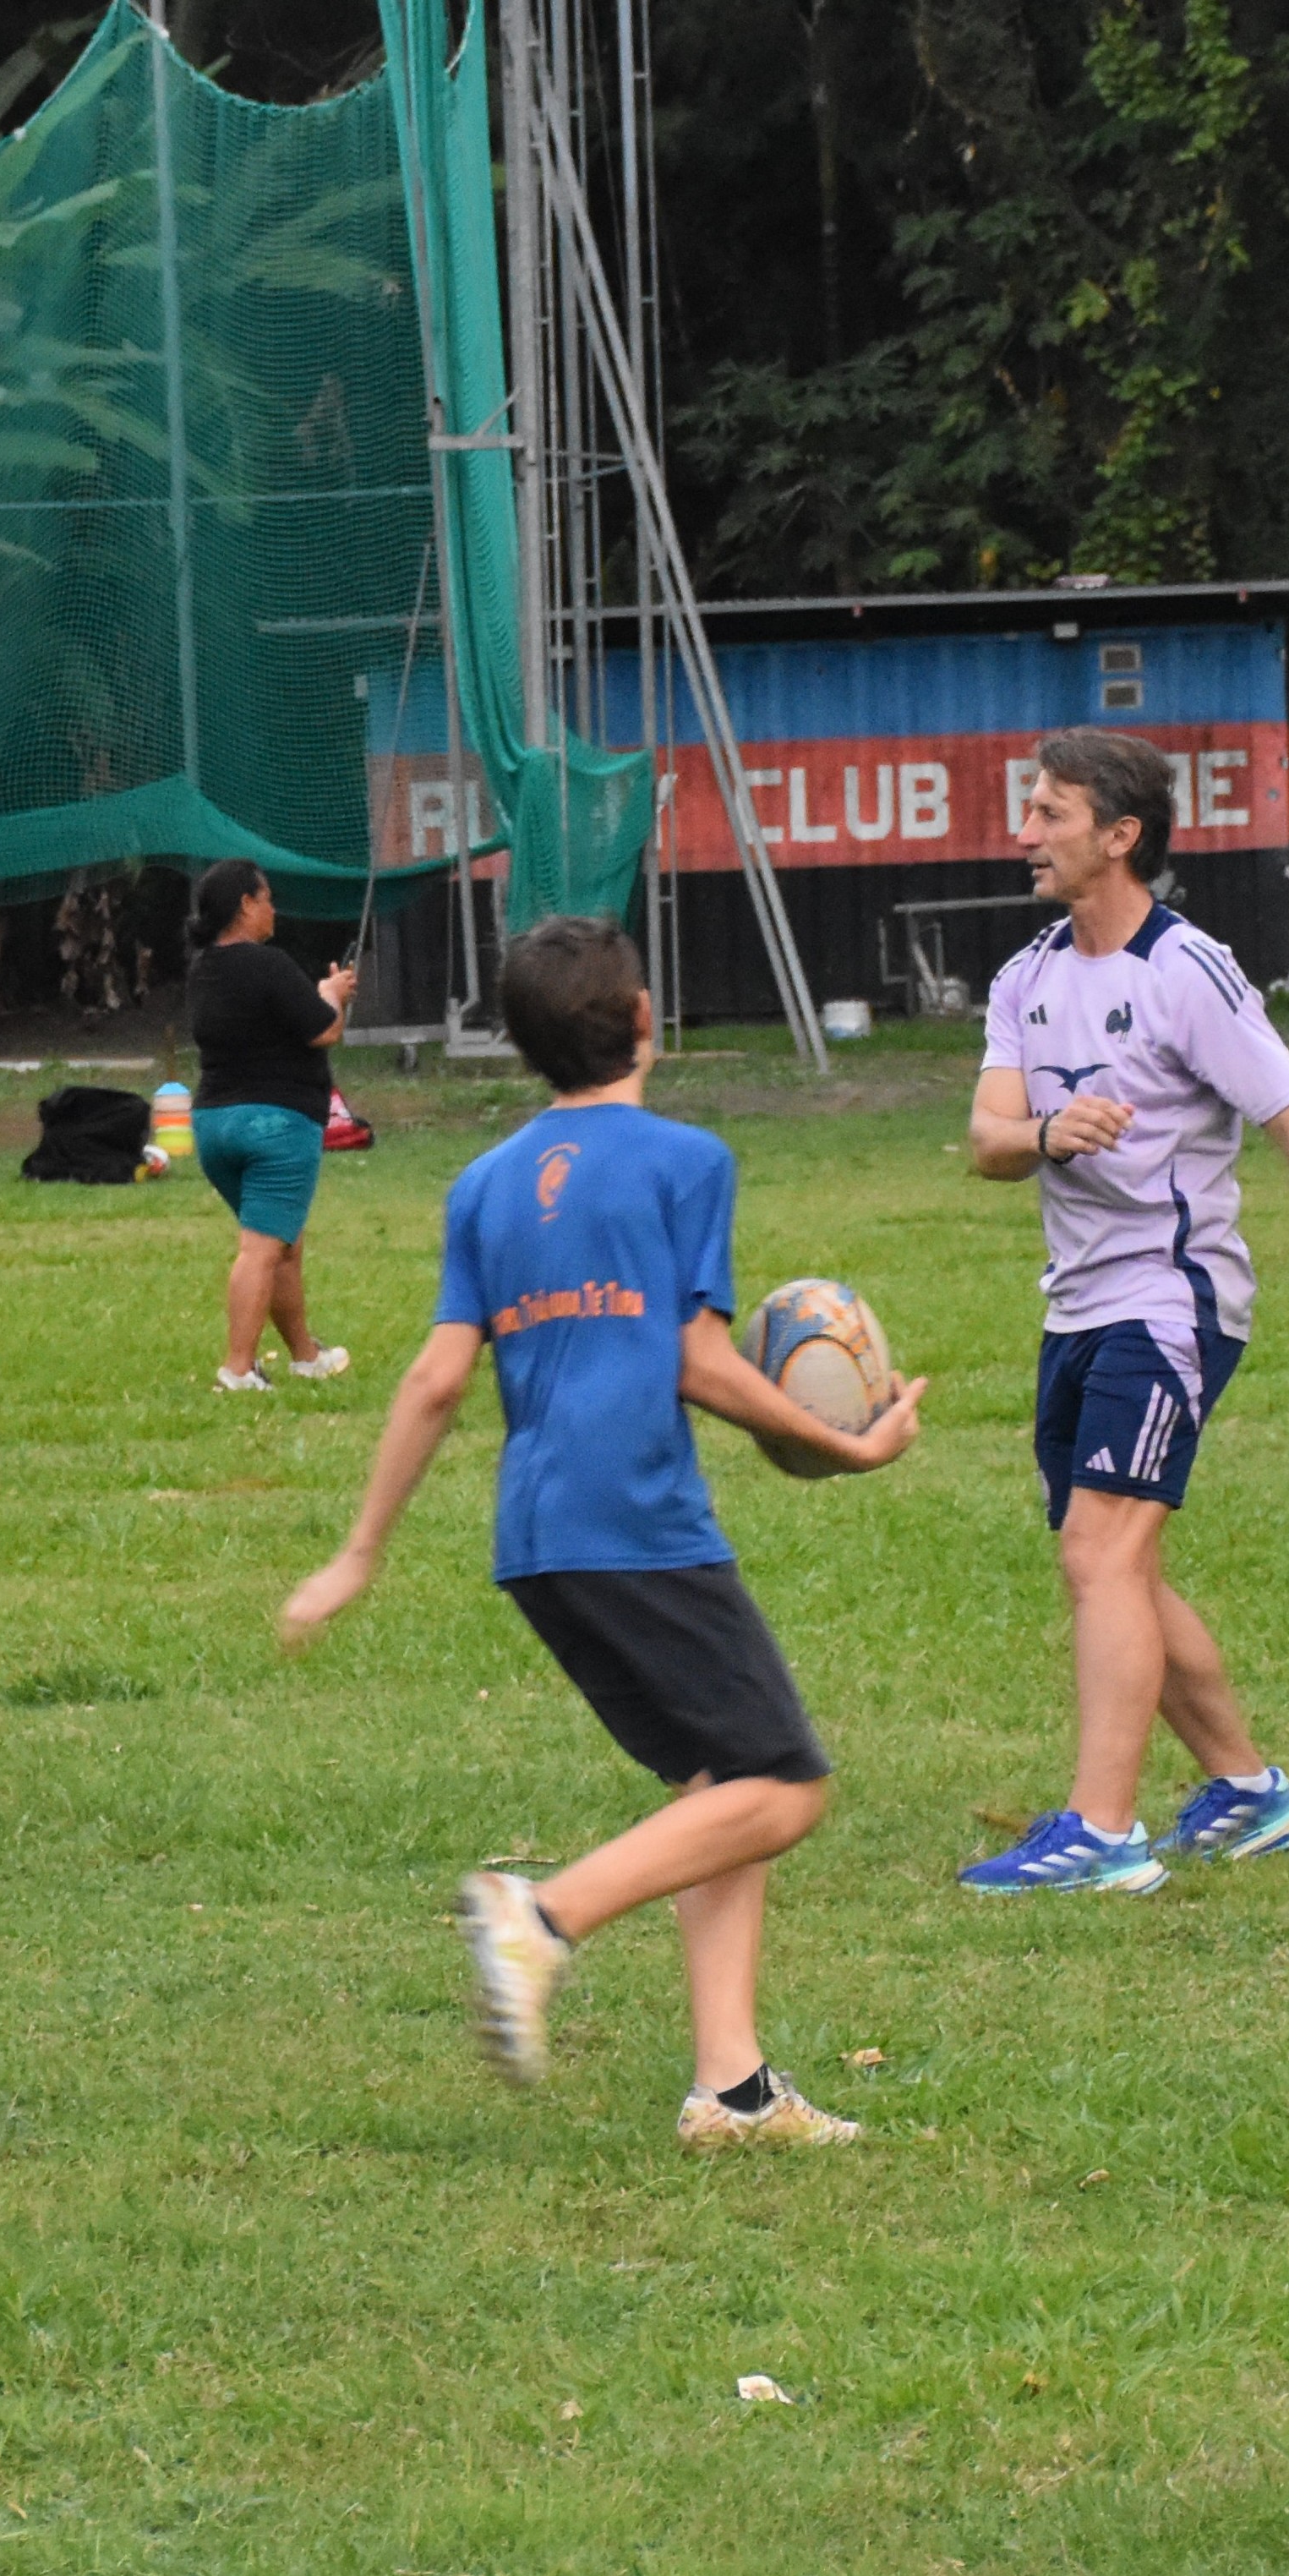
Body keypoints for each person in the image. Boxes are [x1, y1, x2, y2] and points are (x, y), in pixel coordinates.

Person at [280, 915, 923, 2147]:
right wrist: (844, 1443)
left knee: (716, 1785)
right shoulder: (686, 1160)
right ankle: (542, 1915)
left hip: (537, 1537)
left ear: (523, 1048)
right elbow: (698, 1360)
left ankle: (732, 2089)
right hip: (635, 1517)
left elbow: (434, 1378)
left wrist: (358, 1551)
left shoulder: (483, 1183)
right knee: (783, 1789)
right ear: (643, 1020)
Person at [957, 727, 1289, 1897]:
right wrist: (1048, 1131)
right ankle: (1250, 1792)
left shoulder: (1186, 970)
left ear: (1119, 835)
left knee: (1100, 1549)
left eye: (1049, 813)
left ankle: (1101, 1833)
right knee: (1117, 1568)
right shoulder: (1026, 977)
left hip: (1171, 1302)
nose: (1026, 832)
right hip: (1077, 1307)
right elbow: (988, 1139)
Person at [186, 857, 361, 1394]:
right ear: (245, 904)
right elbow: (323, 1031)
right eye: (267, 899)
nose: (273, 910)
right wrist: (333, 995)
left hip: (213, 1126)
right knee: (261, 1249)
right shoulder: (269, 964)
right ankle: (238, 1369)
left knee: (284, 1243)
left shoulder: (203, 970)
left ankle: (306, 1356)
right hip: (277, 1128)